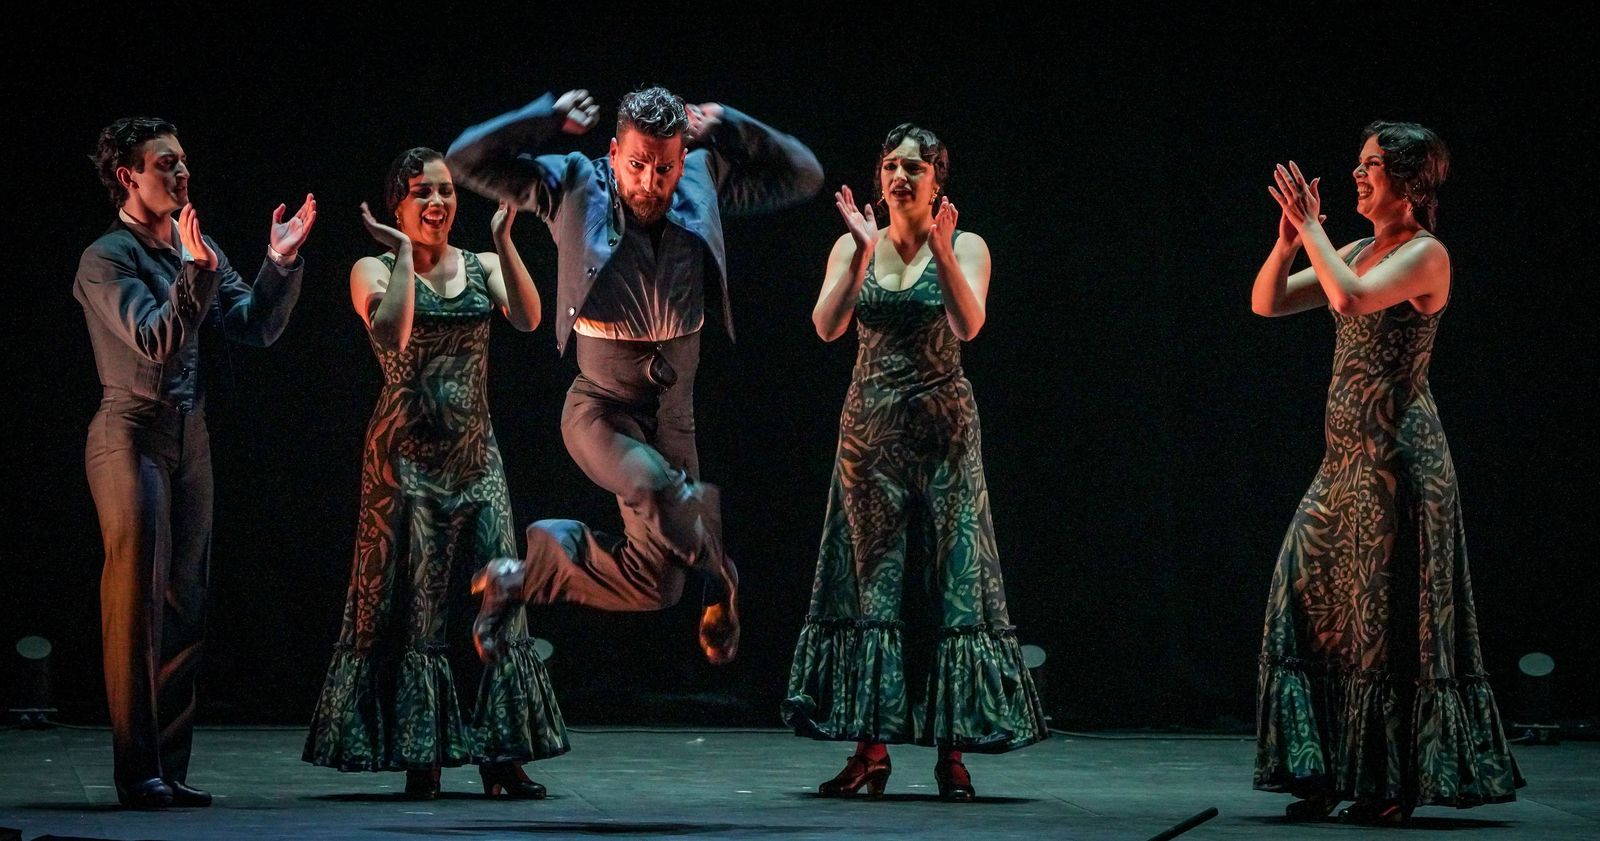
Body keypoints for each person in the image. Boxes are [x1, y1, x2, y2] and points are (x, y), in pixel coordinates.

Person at [446, 86, 823, 665]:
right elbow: (466, 159)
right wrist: (543, 121)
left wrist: (728, 122)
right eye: (638, 164)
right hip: (599, 409)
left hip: (674, 417)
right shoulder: (572, 183)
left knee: (658, 587)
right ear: (615, 150)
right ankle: (721, 575)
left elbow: (803, 175)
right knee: (657, 488)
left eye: (665, 168)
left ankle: (520, 577)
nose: (651, 182)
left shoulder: (703, 177)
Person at [1251, 122, 1523, 823]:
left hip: (1399, 465)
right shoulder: (1358, 248)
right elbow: (1270, 301)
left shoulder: (1427, 256)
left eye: (1371, 165)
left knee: (1382, 622)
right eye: (1360, 163)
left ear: (1409, 180)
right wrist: (1290, 238)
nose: (1357, 176)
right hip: (1344, 462)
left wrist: (1313, 228)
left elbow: (1349, 298)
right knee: (1303, 596)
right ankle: (1318, 767)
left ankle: (1388, 781)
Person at [781, 124, 1048, 802]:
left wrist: (940, 252)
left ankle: (951, 754)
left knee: (951, 584)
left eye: (914, 168)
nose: (900, 177)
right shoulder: (853, 244)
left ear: (937, 181)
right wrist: (868, 250)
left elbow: (969, 324)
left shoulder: (967, 245)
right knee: (874, 587)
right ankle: (869, 750)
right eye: (892, 166)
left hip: (946, 440)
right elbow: (826, 325)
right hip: (869, 440)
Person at [302, 149, 566, 800]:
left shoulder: (479, 264)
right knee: (420, 609)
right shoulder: (371, 267)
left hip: (477, 458)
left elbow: (530, 319)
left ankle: (502, 757)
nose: (438, 203)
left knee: (503, 597)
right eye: (423, 192)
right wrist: (399, 257)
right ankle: (425, 754)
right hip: (407, 461)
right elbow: (390, 334)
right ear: (398, 202)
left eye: (446, 191)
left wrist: (504, 238)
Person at [76, 117, 316, 809]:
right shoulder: (106, 258)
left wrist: (279, 264)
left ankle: (168, 768)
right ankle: (137, 767)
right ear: (129, 175)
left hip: (191, 436)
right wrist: (192, 270)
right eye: (166, 165)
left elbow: (253, 326)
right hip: (129, 434)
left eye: (184, 164)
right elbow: (155, 341)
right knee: (137, 605)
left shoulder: (198, 246)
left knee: (186, 603)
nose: (182, 176)